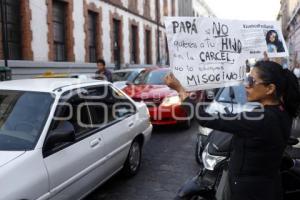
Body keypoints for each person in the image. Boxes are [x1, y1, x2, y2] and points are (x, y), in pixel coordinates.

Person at [165, 61, 300, 200]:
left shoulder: (260, 118)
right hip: (268, 185)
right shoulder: (282, 111)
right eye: (247, 79)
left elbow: (204, 118)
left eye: (251, 81)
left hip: (248, 191)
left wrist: (180, 90)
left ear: (270, 88)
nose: (246, 85)